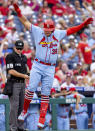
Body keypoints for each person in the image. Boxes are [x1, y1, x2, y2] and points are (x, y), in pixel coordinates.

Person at [13, 2, 93, 129]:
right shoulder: (38, 31)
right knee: (31, 88)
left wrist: (83, 25)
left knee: (45, 93)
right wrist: (18, 11)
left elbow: (71, 30)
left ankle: (42, 117)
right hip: (38, 64)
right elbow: (25, 21)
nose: (48, 32)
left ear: (53, 29)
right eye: (47, 30)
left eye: (50, 30)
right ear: (44, 28)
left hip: (50, 67)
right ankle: (24, 111)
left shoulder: (58, 33)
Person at [5, 40, 29, 131]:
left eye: (21, 48)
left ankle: (20, 127)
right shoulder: (10, 56)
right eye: (17, 48)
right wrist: (24, 76)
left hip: (22, 83)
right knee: (14, 106)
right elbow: (11, 71)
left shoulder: (24, 57)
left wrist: (28, 74)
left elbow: (26, 68)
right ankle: (13, 127)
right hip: (13, 83)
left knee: (22, 106)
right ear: (14, 47)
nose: (19, 50)